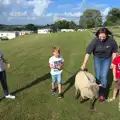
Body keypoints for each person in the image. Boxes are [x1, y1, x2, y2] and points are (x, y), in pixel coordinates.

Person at [81, 28, 118, 102]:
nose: (101, 39)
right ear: (98, 35)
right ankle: (96, 90)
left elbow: (114, 52)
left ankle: (102, 94)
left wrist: (113, 62)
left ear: (107, 35)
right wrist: (84, 63)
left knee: (104, 76)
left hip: (107, 59)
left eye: (103, 37)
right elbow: (88, 52)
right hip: (97, 59)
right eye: (100, 37)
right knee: (98, 75)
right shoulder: (95, 41)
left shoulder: (111, 41)